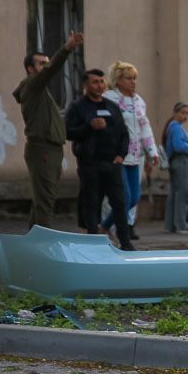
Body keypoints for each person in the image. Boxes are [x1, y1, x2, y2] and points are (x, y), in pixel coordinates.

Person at [13, 31, 83, 228]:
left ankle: (31, 243)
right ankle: (44, 245)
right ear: (30, 69)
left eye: (46, 62)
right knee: (45, 202)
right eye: (40, 64)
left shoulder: (40, 91)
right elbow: (51, 69)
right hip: (42, 149)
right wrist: (67, 48)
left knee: (42, 200)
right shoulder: (32, 85)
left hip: (50, 150)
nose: (45, 66)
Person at [66, 69, 134, 250]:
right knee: (91, 202)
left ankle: (125, 242)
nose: (99, 85)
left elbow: (124, 133)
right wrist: (89, 126)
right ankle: (94, 242)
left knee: (120, 203)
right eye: (95, 82)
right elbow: (69, 132)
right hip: (90, 163)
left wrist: (121, 155)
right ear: (86, 85)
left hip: (112, 163)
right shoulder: (78, 107)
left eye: (102, 81)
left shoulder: (112, 106)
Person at [100, 61, 159, 240]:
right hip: (117, 155)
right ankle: (113, 229)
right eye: (129, 78)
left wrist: (152, 151)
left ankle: (104, 226)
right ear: (118, 80)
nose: (133, 82)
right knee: (123, 196)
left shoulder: (139, 101)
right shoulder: (109, 98)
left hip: (135, 155)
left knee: (134, 198)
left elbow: (145, 126)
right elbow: (105, 126)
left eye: (135, 79)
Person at [162, 102, 188, 233]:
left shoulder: (172, 126)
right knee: (183, 193)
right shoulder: (176, 128)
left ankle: (171, 225)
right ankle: (181, 225)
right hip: (181, 161)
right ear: (175, 113)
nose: (185, 116)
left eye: (187, 114)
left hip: (175, 162)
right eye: (183, 113)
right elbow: (178, 146)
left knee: (174, 193)